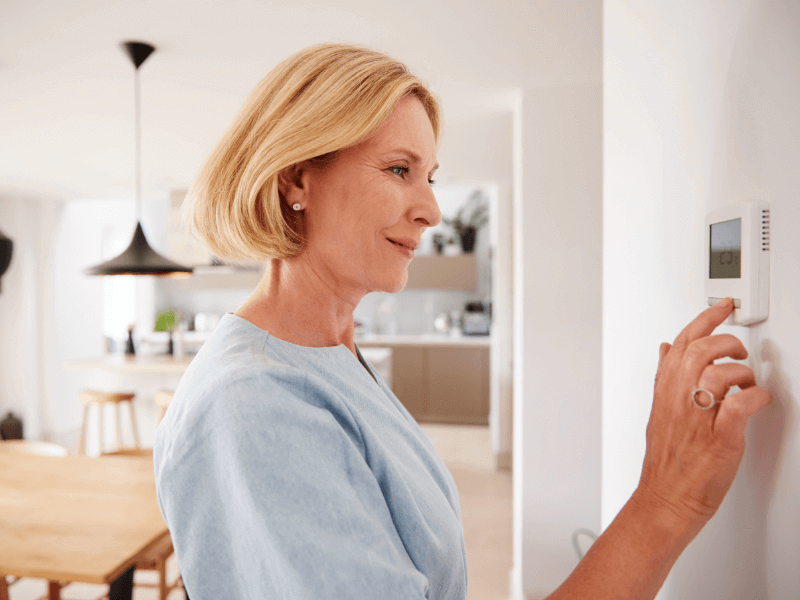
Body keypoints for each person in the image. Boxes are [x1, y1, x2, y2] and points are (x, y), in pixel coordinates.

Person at [153, 43, 772, 600]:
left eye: (430, 176)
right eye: (399, 169)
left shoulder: (329, 354)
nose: (430, 210)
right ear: (297, 180)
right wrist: (665, 502)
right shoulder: (257, 403)